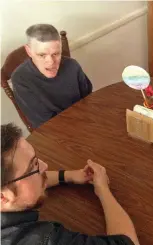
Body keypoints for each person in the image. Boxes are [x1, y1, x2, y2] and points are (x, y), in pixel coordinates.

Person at [1, 123, 139, 245]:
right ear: (3, 197)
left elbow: (26, 182)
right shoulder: (43, 240)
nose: (45, 166)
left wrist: (68, 175)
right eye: (33, 166)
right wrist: (103, 189)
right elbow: (127, 242)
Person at [12, 24, 93, 129]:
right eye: (42, 55)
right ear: (29, 51)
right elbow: (44, 124)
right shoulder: (21, 79)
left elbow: (89, 99)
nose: (51, 62)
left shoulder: (72, 65)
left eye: (55, 54)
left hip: (85, 122)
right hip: (54, 133)